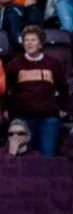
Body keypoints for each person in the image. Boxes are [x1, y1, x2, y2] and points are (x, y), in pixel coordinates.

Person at [4, 26, 68, 156]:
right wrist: (5, 108)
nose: (29, 43)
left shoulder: (53, 63)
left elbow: (63, 88)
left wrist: (63, 108)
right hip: (23, 117)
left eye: (33, 40)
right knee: (24, 157)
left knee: (47, 156)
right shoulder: (15, 64)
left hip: (48, 118)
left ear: (41, 43)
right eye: (26, 40)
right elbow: (6, 89)